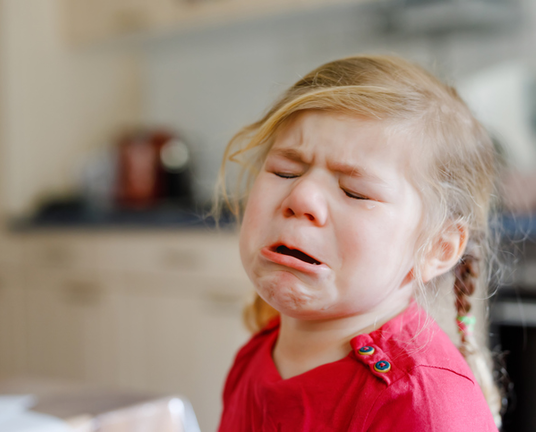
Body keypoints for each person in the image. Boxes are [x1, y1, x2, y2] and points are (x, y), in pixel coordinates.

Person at [214, 55, 503, 431]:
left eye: (354, 191)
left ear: (438, 248)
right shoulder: (253, 357)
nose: (301, 198)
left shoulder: (428, 406)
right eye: (285, 171)